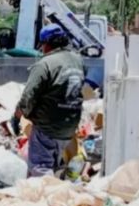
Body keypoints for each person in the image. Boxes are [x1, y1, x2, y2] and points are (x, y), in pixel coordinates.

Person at [14, 23, 87, 177]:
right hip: (68, 128)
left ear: (46, 45)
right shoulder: (78, 61)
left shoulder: (44, 64)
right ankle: (63, 186)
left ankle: (49, 198)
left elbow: (28, 97)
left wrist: (17, 116)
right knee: (56, 165)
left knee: (41, 169)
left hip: (47, 128)